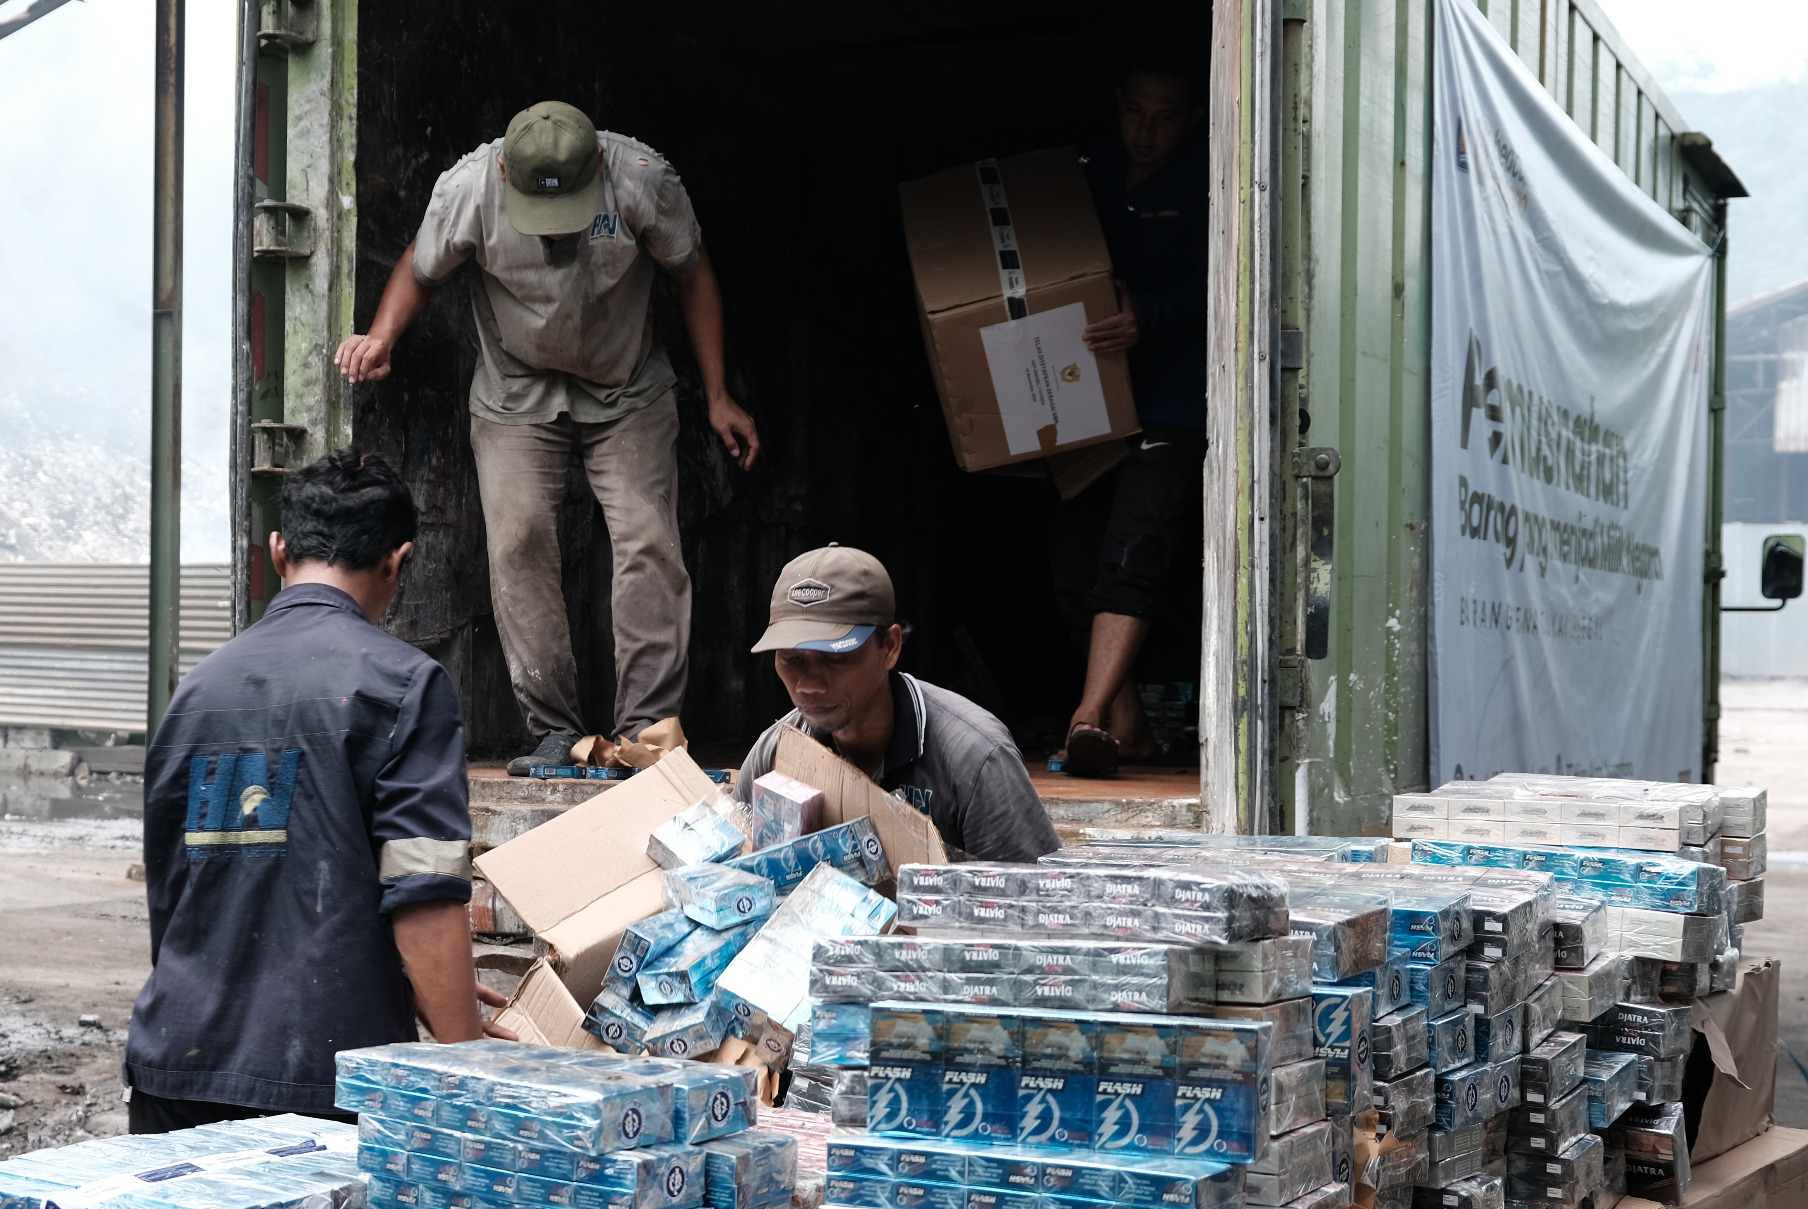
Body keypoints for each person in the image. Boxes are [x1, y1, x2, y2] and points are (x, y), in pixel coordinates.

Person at [334, 100, 762, 776]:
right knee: (519, 541)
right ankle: (553, 732)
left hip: (626, 388)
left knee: (648, 541)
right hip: (515, 392)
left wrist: (716, 396)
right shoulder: (470, 187)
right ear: (505, 170)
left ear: (598, 164)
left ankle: (648, 736)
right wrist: (381, 337)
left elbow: (692, 271)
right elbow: (420, 265)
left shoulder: (643, 178)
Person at [124, 449, 509, 1132]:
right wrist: (469, 1075)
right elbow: (422, 896)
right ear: (398, 560)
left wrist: (405, 978)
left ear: (278, 551)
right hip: (321, 1088)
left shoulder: (195, 690)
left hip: (173, 1071)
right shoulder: (404, 686)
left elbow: (181, 894)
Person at [1054, 61, 1211, 777]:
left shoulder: (1209, 185)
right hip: (1086, 398)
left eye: (1166, 117)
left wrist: (1148, 316)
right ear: (1117, 104)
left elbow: (1226, 285)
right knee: (1073, 560)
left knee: (1133, 549)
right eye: (1136, 112)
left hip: (1171, 398)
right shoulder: (1089, 175)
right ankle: (1131, 727)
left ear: (1193, 120)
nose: (1147, 131)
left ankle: (1087, 719)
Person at [731, 545, 1060, 863]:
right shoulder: (776, 751)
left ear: (889, 647)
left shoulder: (976, 760)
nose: (808, 685)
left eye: (834, 658)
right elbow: (730, 874)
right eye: (790, 658)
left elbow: (1036, 904)